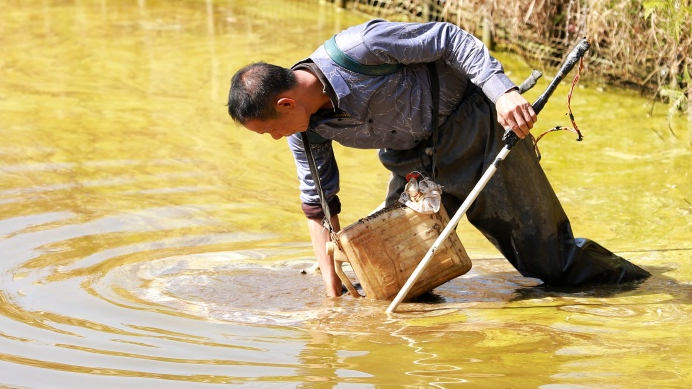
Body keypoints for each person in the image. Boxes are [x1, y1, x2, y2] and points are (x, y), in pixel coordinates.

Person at [227, 19, 649, 297]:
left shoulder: (361, 47)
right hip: (411, 158)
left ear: (285, 103)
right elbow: (319, 204)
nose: (274, 138)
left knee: (550, 261)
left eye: (269, 130)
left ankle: (640, 287)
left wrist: (503, 92)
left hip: (472, 127)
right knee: (397, 276)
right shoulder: (306, 130)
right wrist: (332, 287)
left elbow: (449, 40)